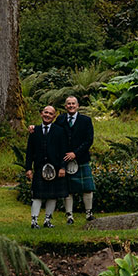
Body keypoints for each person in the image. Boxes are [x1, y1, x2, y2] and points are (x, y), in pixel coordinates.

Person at [24, 105, 67, 229]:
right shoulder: (34, 131)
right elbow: (29, 152)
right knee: (37, 195)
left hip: (55, 168)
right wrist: (28, 168)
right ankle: (34, 220)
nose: (47, 115)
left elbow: (63, 151)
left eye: (50, 113)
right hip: (39, 168)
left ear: (54, 116)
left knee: (52, 196)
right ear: (41, 114)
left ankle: (47, 220)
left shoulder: (59, 131)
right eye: (45, 112)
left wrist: (62, 167)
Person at [56, 95, 96, 223]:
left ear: (77, 106)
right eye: (69, 104)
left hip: (82, 158)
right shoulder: (60, 119)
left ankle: (89, 213)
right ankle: (69, 216)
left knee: (88, 188)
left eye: (73, 103)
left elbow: (89, 140)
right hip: (65, 159)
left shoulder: (86, 120)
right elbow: (52, 133)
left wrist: (75, 153)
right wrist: (35, 128)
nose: (71, 106)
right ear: (65, 106)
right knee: (68, 189)